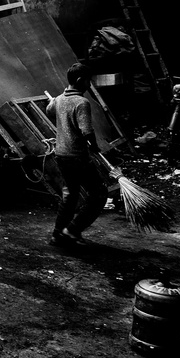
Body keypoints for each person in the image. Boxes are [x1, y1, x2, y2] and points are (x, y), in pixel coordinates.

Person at [46, 62, 108, 246]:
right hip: (77, 157)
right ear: (80, 80)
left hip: (61, 155)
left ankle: (57, 235)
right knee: (98, 195)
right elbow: (86, 131)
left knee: (70, 195)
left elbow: (50, 111)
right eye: (89, 82)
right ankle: (71, 231)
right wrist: (94, 147)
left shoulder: (58, 100)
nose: (90, 86)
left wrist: (56, 107)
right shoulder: (81, 102)